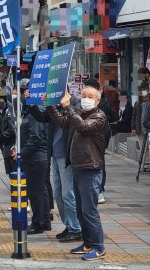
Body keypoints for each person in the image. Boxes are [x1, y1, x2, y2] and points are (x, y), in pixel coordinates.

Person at [47, 87, 108, 261]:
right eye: (83, 96)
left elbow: (82, 127)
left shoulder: (99, 116)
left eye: (90, 97)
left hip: (90, 168)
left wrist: (69, 108)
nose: (86, 99)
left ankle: (98, 246)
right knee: (81, 210)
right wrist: (50, 104)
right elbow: (62, 122)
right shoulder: (79, 113)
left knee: (89, 210)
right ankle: (87, 243)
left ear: (97, 101)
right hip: (77, 166)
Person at [30, 94, 82, 243]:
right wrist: (33, 104)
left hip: (67, 156)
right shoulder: (55, 104)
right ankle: (69, 225)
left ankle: (76, 228)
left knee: (68, 193)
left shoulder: (74, 103)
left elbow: (65, 122)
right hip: (55, 154)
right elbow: (43, 117)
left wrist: (54, 105)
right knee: (58, 194)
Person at [19, 89, 50, 234]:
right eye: (25, 93)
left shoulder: (36, 113)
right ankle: (44, 221)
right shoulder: (30, 111)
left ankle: (38, 223)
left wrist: (21, 154)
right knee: (40, 191)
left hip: (35, 158)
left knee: (36, 193)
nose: (26, 95)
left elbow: (36, 138)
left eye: (29, 93)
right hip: (36, 157)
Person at [132, 84, 150, 168]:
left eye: (145, 89)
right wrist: (133, 128)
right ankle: (146, 165)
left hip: (148, 129)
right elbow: (134, 116)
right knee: (143, 148)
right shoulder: (138, 103)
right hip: (140, 130)